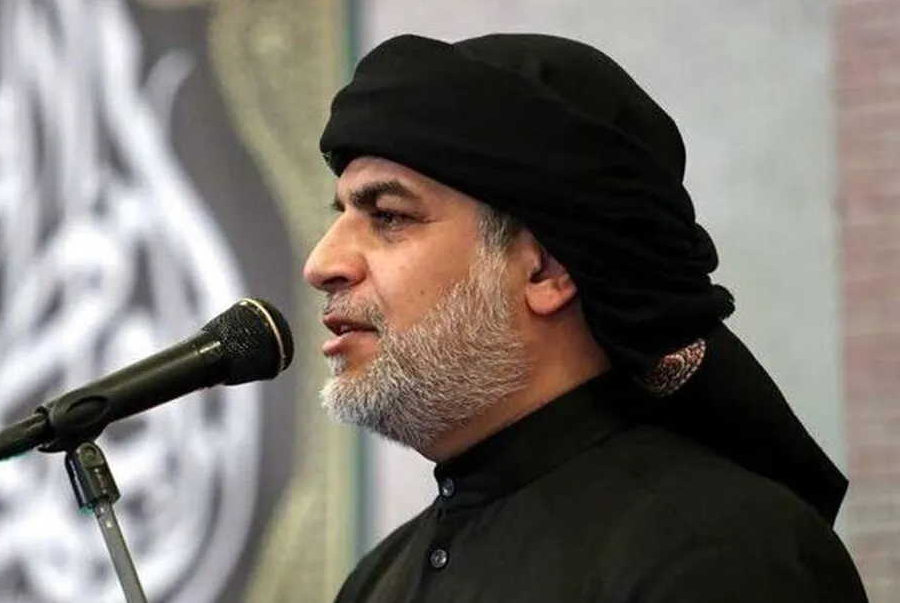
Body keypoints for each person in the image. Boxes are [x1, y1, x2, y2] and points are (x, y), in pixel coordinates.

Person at [304, 32, 868, 602]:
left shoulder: (722, 555)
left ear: (546, 270)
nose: (321, 264)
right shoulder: (375, 581)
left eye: (389, 216)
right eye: (340, 213)